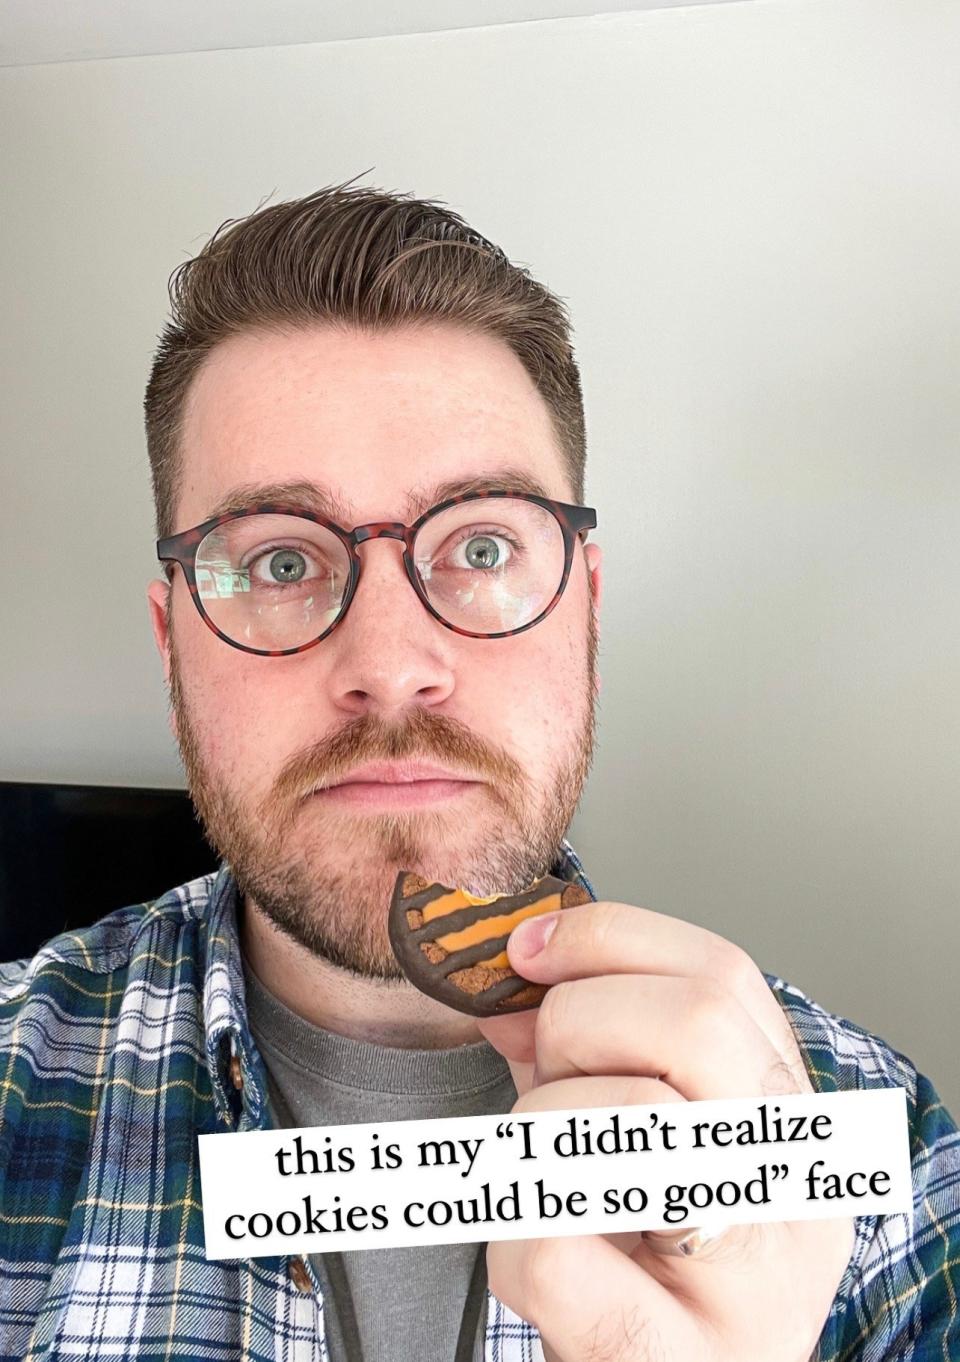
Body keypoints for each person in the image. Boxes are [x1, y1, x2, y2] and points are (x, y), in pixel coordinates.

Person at [0, 182, 956, 1362]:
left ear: (587, 610)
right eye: (283, 559)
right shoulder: (11, 1093)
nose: (392, 668)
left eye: (484, 546)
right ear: (172, 639)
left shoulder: (879, 1148)